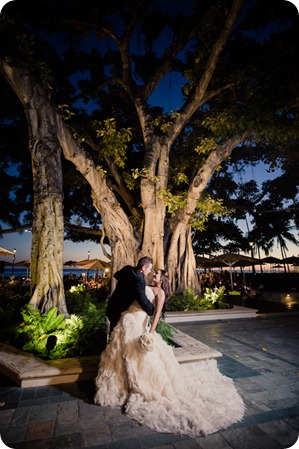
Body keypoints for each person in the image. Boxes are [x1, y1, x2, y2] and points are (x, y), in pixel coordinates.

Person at [94, 269, 245, 437]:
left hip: (142, 327)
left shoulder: (160, 292)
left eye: (157, 274)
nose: (154, 275)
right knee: (123, 355)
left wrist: (150, 332)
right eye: (154, 273)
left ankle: (142, 385)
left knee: (141, 359)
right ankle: (125, 384)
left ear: (162, 278)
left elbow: (157, 313)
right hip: (129, 323)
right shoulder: (144, 285)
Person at [105, 256, 155, 331]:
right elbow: (142, 300)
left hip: (112, 306)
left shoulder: (127, 268)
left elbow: (116, 275)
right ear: (143, 268)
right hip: (120, 312)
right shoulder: (139, 280)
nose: (150, 271)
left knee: (112, 334)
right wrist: (152, 310)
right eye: (149, 269)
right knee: (115, 337)